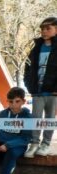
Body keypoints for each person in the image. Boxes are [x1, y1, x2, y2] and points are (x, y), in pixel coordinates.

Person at [23, 17, 57, 158]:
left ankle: (46, 144)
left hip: (53, 92)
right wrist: (29, 85)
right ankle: (34, 143)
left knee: (50, 118)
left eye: (48, 28)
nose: (44, 31)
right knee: (35, 118)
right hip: (37, 91)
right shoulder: (35, 49)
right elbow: (27, 68)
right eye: (42, 28)